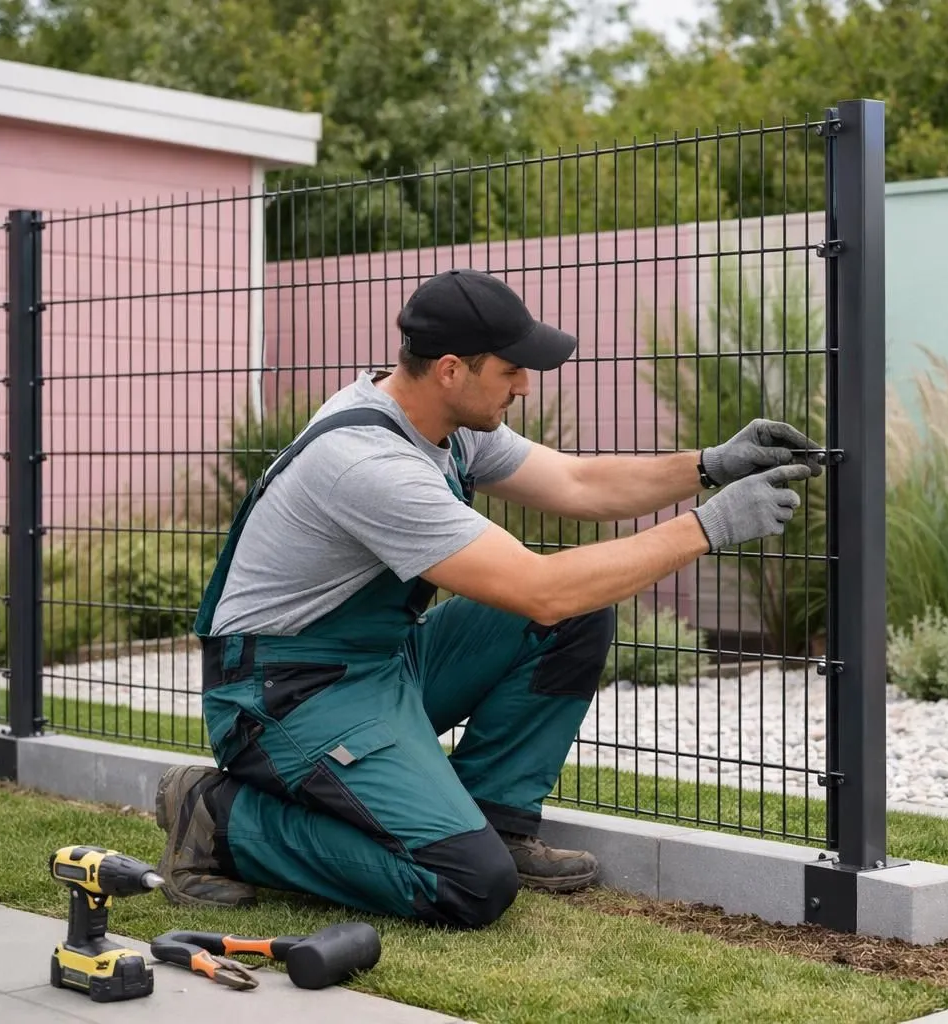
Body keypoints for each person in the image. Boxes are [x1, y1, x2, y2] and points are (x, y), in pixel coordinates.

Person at [151, 267, 822, 929]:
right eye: (510, 370)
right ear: (450, 369)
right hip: (283, 696)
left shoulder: (447, 422)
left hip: (377, 666)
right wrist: (710, 527)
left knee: (581, 611)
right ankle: (222, 817)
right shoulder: (369, 464)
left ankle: (492, 819)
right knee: (466, 884)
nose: (525, 385)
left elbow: (579, 483)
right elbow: (542, 589)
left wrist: (708, 465)